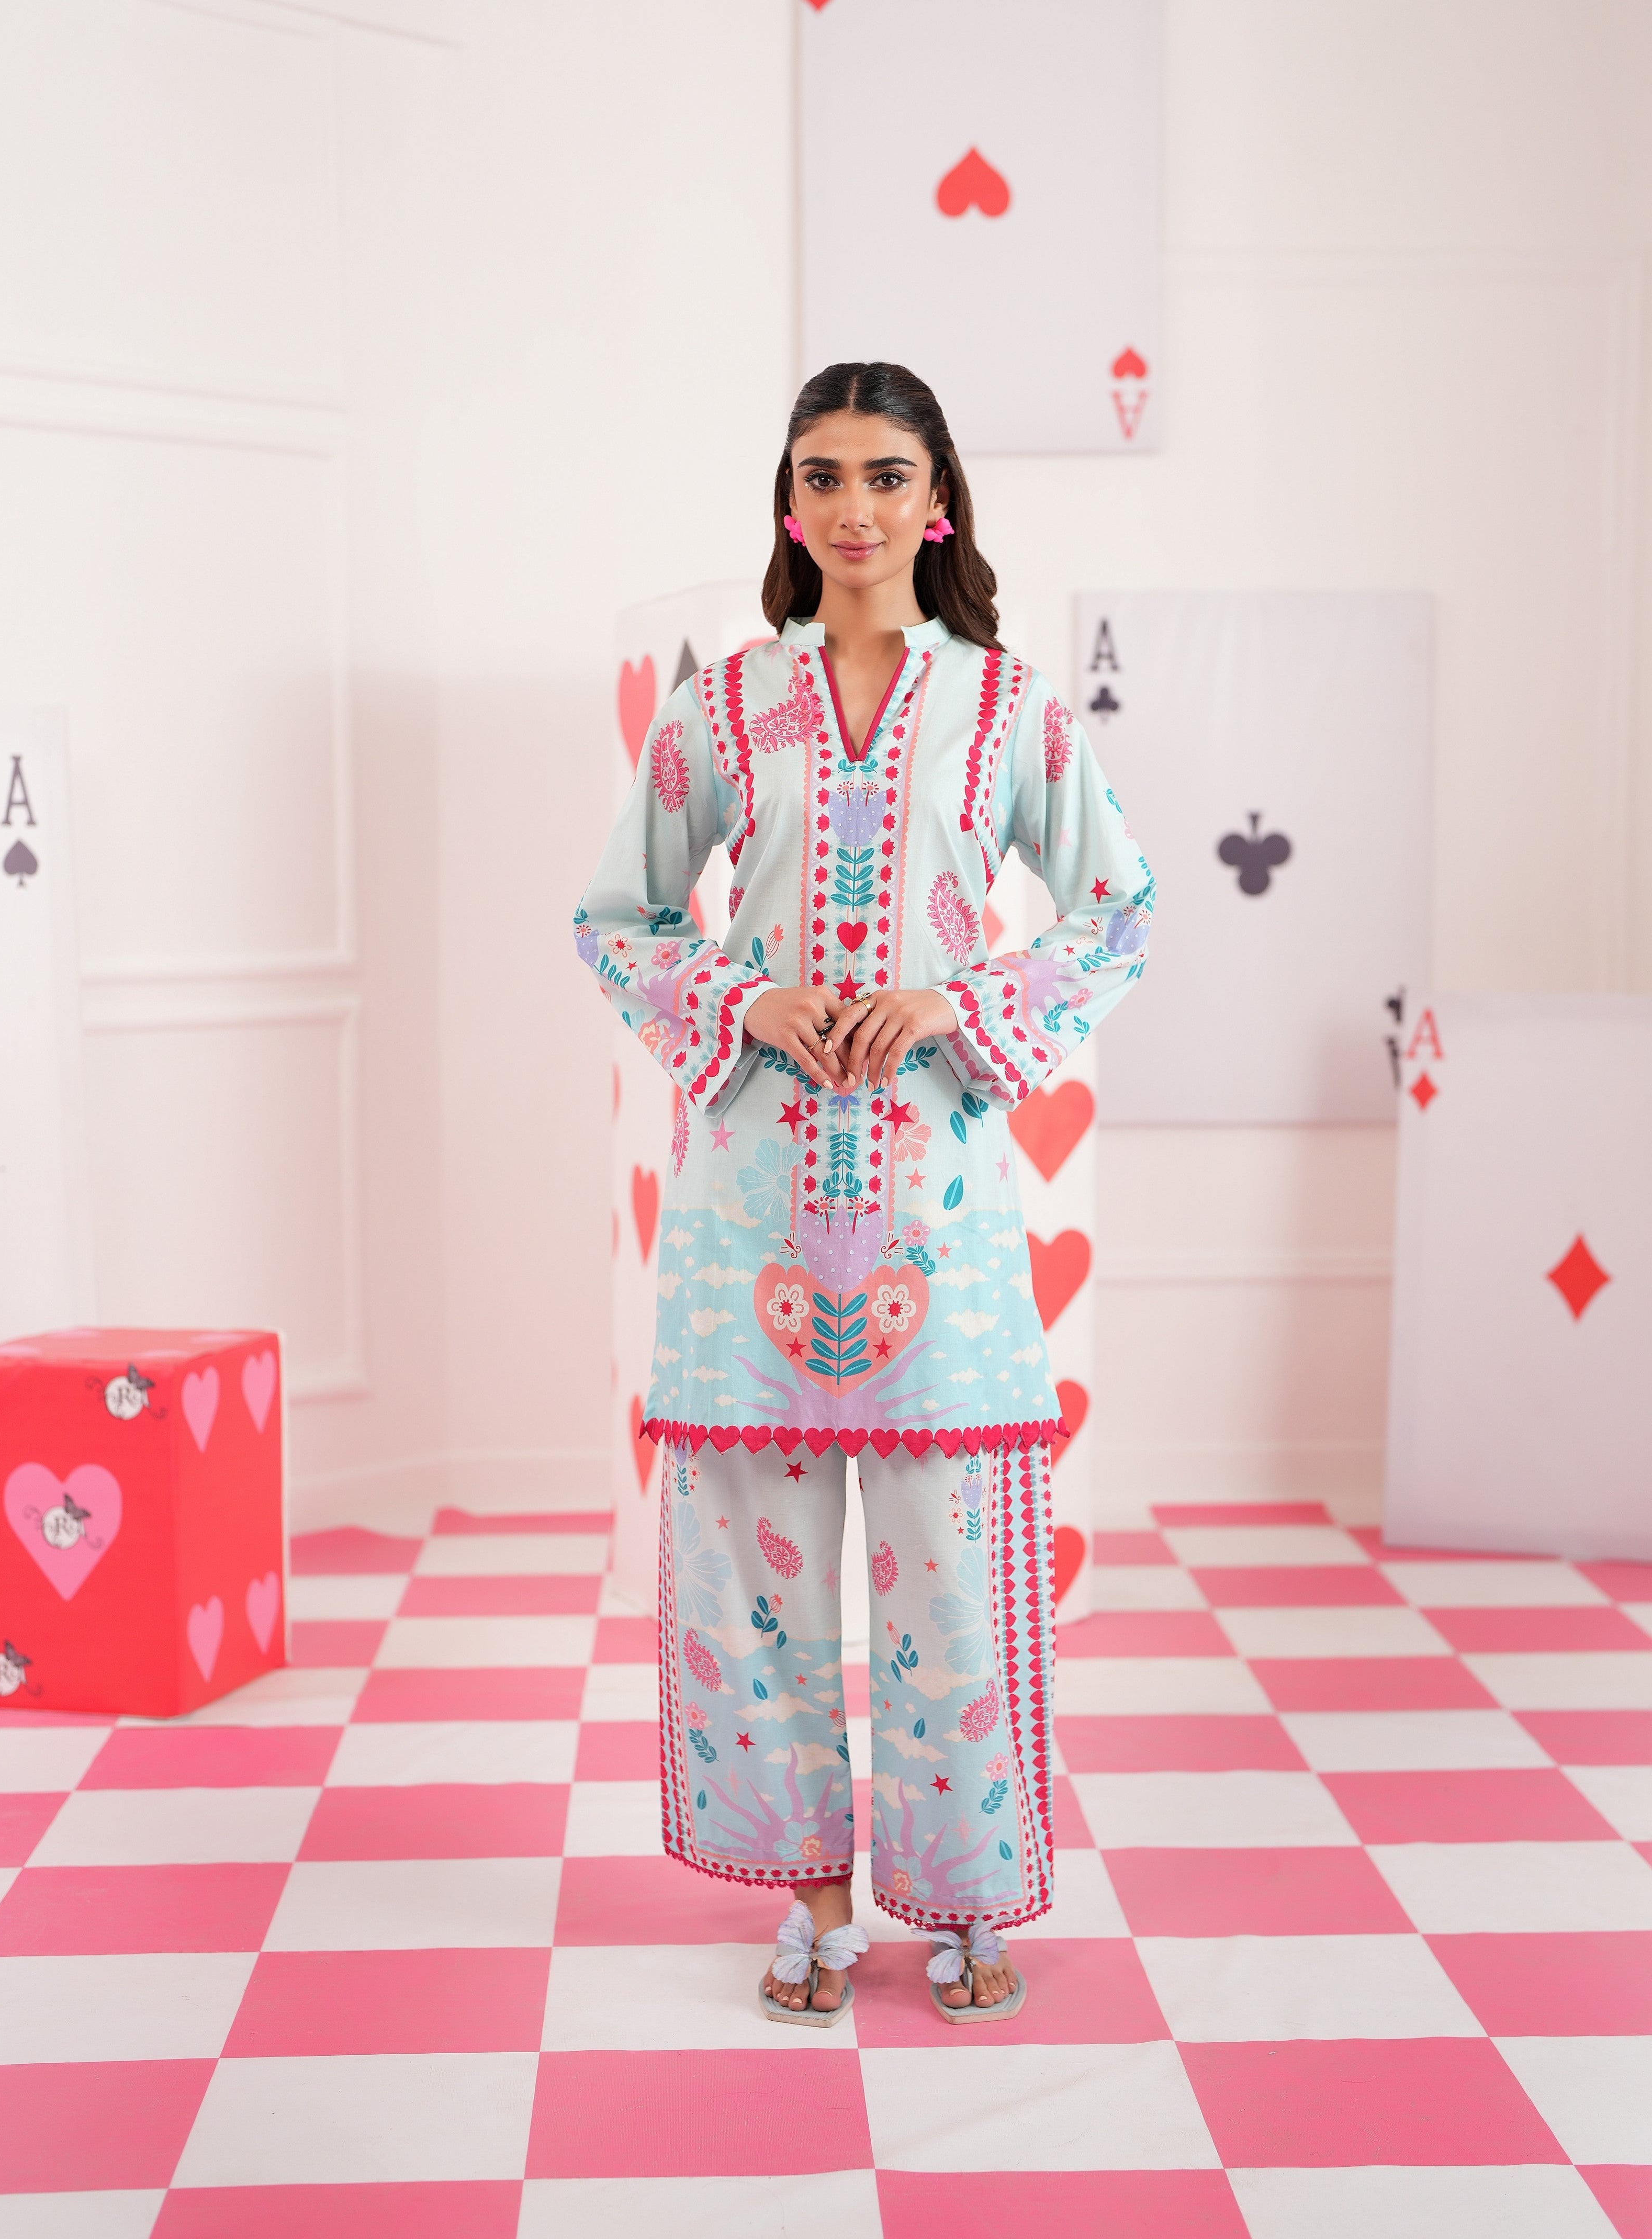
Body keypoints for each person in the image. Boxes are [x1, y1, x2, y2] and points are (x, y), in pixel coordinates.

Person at [575, 362, 1152, 2023]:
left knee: (954, 1576)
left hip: (942, 1210)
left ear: (938, 500)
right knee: (752, 1580)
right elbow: (617, 917)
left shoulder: (1012, 710)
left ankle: (961, 1899)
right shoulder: (718, 711)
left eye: (886, 475)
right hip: (746, 1206)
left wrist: (959, 1007)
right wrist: (745, 1000)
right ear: (789, 501)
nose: (853, 507)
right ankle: (813, 1899)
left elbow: (1118, 911)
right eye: (821, 475)